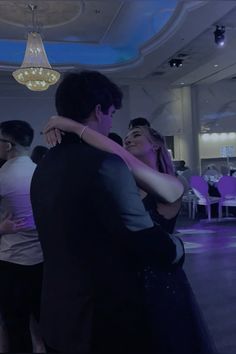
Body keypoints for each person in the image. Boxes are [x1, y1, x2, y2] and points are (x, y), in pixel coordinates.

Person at [31, 70, 185, 354]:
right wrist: (177, 249)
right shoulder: (105, 165)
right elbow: (144, 239)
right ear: (99, 110)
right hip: (100, 318)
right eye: (112, 113)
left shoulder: (44, 166)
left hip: (58, 312)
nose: (112, 123)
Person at [44, 116, 216, 353]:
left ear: (156, 144)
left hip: (157, 281)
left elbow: (122, 159)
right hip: (122, 280)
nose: (127, 140)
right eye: (125, 138)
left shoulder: (173, 183)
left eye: (136, 135)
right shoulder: (120, 185)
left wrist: (72, 126)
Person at [0, 120, 43, 353]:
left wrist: (2, 229)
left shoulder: (3, 177)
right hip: (42, 260)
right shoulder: (40, 172)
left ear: (8, 144)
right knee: (43, 321)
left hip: (12, 261)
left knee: (16, 327)